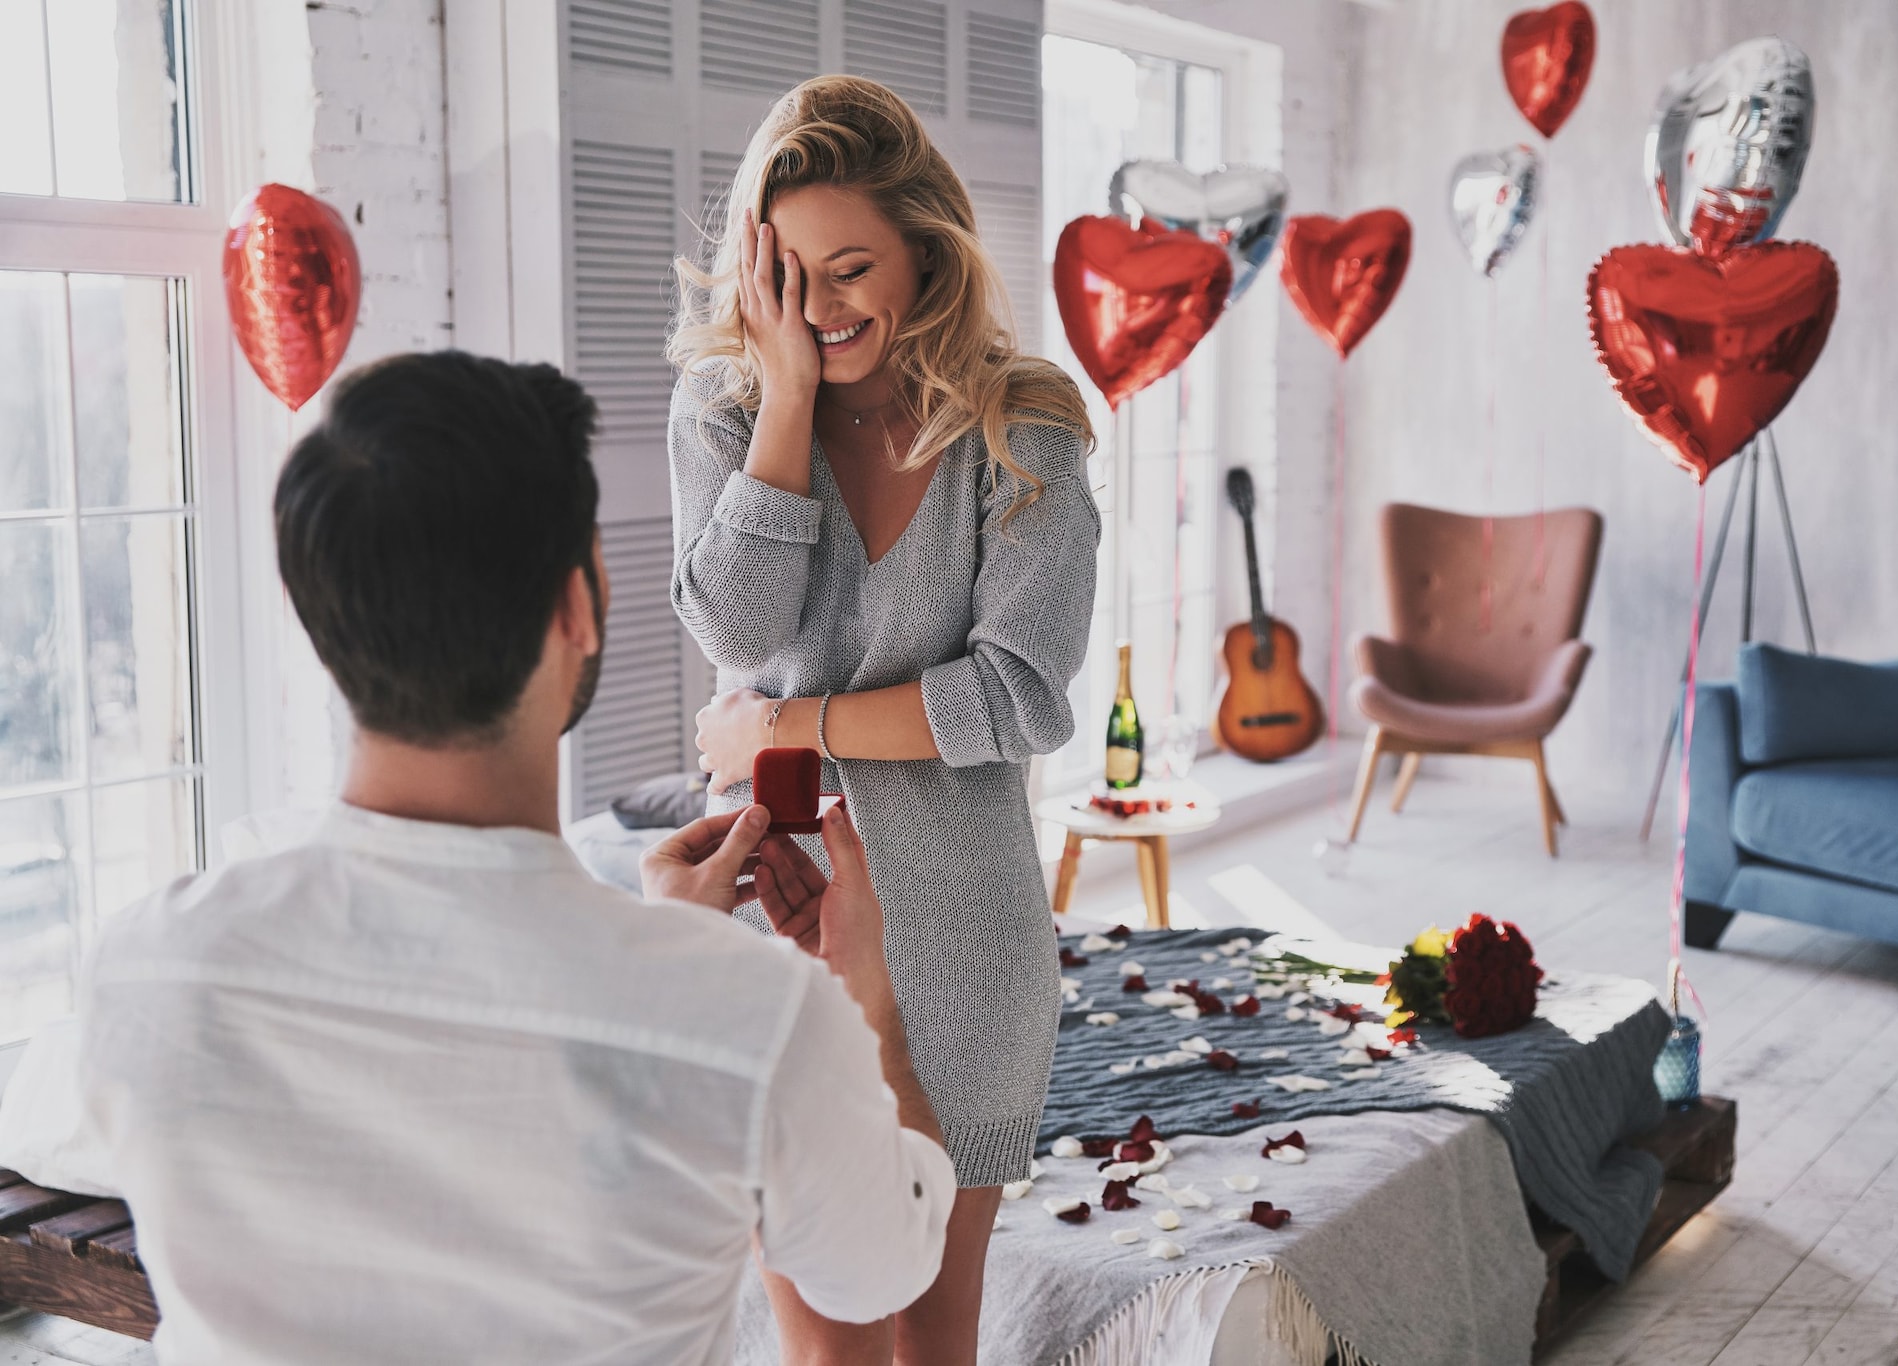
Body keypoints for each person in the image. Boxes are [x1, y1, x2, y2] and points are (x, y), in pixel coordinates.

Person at [0, 352, 954, 1365]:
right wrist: (869, 1016)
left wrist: (674, 950)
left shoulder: (147, 971)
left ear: (321, 618)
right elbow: (881, 1267)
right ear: (577, 609)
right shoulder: (754, 1019)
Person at [667, 75, 1098, 1361]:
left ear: (928, 244)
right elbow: (734, 630)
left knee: (930, 1335)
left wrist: (793, 728)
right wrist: (788, 403)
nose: (817, 306)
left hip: (964, 949)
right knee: (827, 1345)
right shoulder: (727, 409)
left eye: (848, 267)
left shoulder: (1024, 428)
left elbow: (1017, 696)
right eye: (783, 275)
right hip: (779, 930)